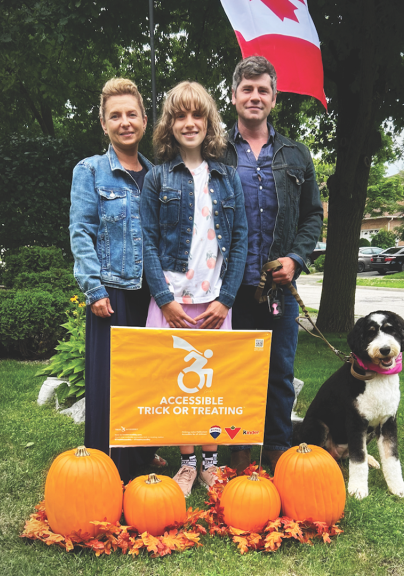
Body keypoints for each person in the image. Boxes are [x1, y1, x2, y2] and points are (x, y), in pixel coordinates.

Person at [140, 81, 248, 496]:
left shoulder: (227, 176)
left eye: (196, 115)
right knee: (177, 385)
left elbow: (239, 241)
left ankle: (211, 464)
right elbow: (147, 240)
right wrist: (165, 300)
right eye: (180, 115)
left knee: (212, 385)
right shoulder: (158, 178)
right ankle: (187, 465)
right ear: (170, 124)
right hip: (171, 302)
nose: (189, 123)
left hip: (214, 302)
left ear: (209, 122)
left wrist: (226, 299)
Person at [221, 56, 324, 473]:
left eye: (263, 89)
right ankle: (238, 456)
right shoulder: (215, 152)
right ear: (233, 96)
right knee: (235, 376)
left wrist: (296, 258)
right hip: (229, 289)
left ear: (274, 98)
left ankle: (279, 455)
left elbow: (312, 215)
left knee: (279, 375)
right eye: (247, 89)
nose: (255, 96)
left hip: (280, 290)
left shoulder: (296, 155)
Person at [69, 78, 161, 480]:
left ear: (144, 119)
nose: (125, 122)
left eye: (131, 114)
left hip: (153, 295)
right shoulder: (90, 171)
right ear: (104, 124)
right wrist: (93, 289)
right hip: (113, 293)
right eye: (115, 116)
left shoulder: (159, 175)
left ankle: (141, 459)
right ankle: (106, 468)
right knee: (110, 384)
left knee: (148, 381)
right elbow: (81, 231)